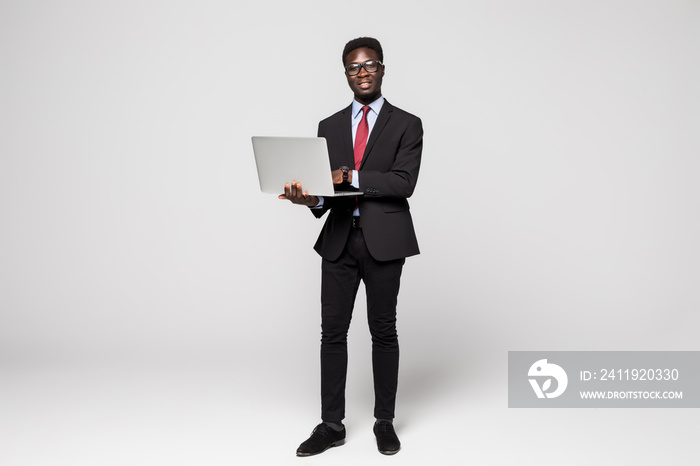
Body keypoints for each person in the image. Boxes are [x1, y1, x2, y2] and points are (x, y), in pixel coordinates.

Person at [279, 36, 423, 456]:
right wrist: (311, 199)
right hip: (340, 240)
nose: (362, 72)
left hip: (385, 241)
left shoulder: (407, 124)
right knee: (332, 334)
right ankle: (331, 425)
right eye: (353, 67)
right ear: (345, 73)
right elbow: (327, 190)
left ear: (382, 68)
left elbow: (404, 183)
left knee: (383, 331)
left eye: (370, 64)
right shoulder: (329, 126)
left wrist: (352, 175)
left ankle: (384, 421)